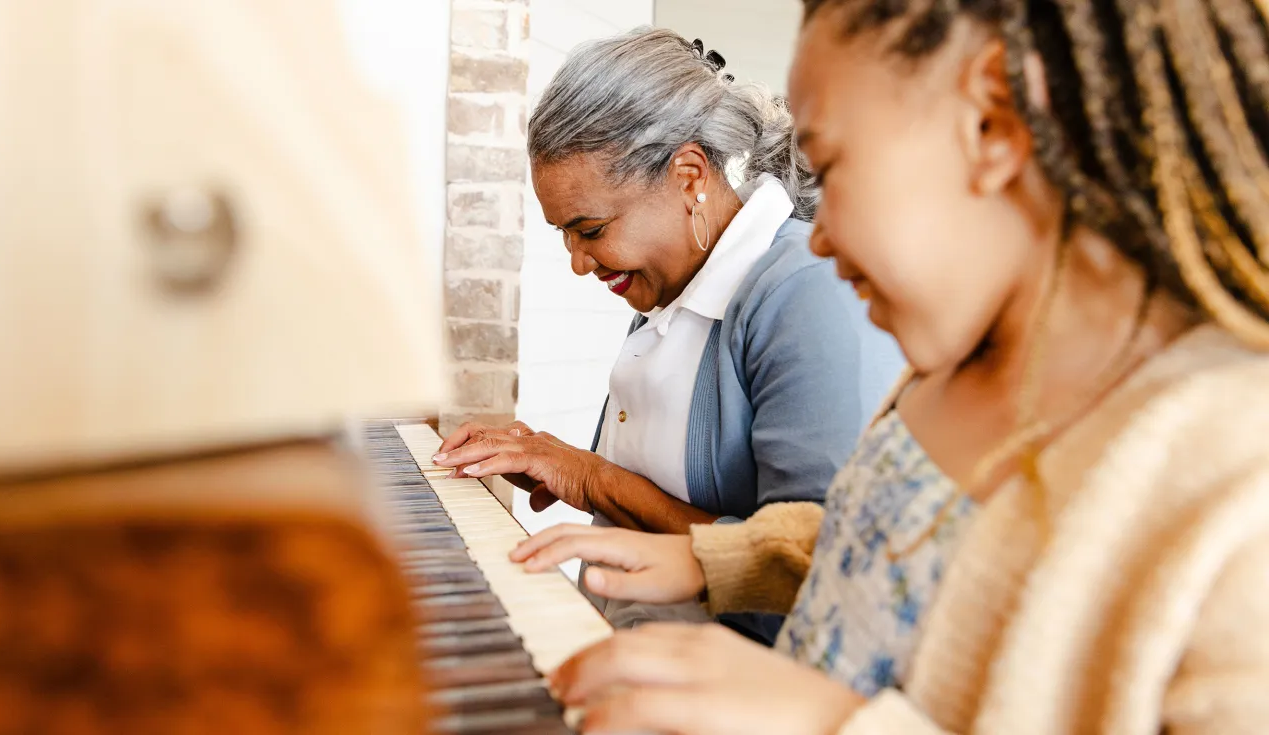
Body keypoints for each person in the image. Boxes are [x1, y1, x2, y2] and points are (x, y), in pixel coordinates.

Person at [509, 0, 1269, 733]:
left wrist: (833, 721)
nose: (820, 235)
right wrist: (717, 559)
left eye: (831, 169)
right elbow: (882, 545)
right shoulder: (947, 373)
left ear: (992, 122)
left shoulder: (1235, 491)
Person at [431, 28, 903, 641]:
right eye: (564, 235)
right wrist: (556, 464)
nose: (579, 261)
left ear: (688, 176)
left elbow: (820, 572)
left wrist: (590, 477)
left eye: (592, 228)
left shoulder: (803, 293)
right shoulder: (673, 282)